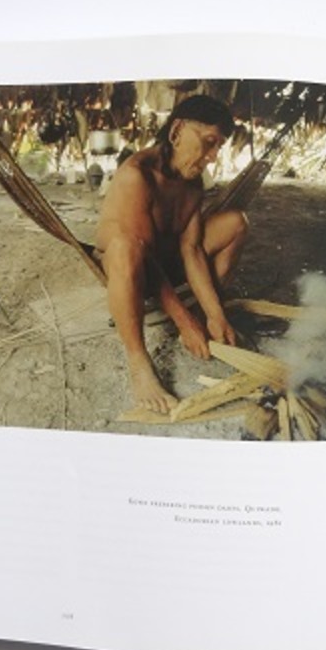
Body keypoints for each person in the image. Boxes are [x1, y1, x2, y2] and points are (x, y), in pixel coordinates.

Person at [95, 94, 248, 413]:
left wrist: (214, 313)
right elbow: (144, 255)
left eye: (218, 147)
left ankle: (207, 319)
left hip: (168, 258)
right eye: (209, 142)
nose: (212, 157)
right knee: (126, 246)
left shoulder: (192, 183)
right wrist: (182, 321)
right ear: (177, 132)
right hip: (132, 264)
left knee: (235, 222)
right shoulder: (137, 175)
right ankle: (139, 363)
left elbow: (190, 248)